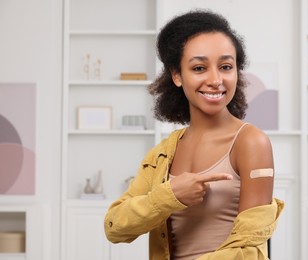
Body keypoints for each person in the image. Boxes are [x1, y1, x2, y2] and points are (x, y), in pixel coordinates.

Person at [104, 9, 284, 260]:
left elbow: (248, 247)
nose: (215, 79)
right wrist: (171, 196)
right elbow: (114, 227)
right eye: (199, 68)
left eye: (226, 66)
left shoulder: (251, 142)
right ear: (177, 75)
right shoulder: (163, 153)